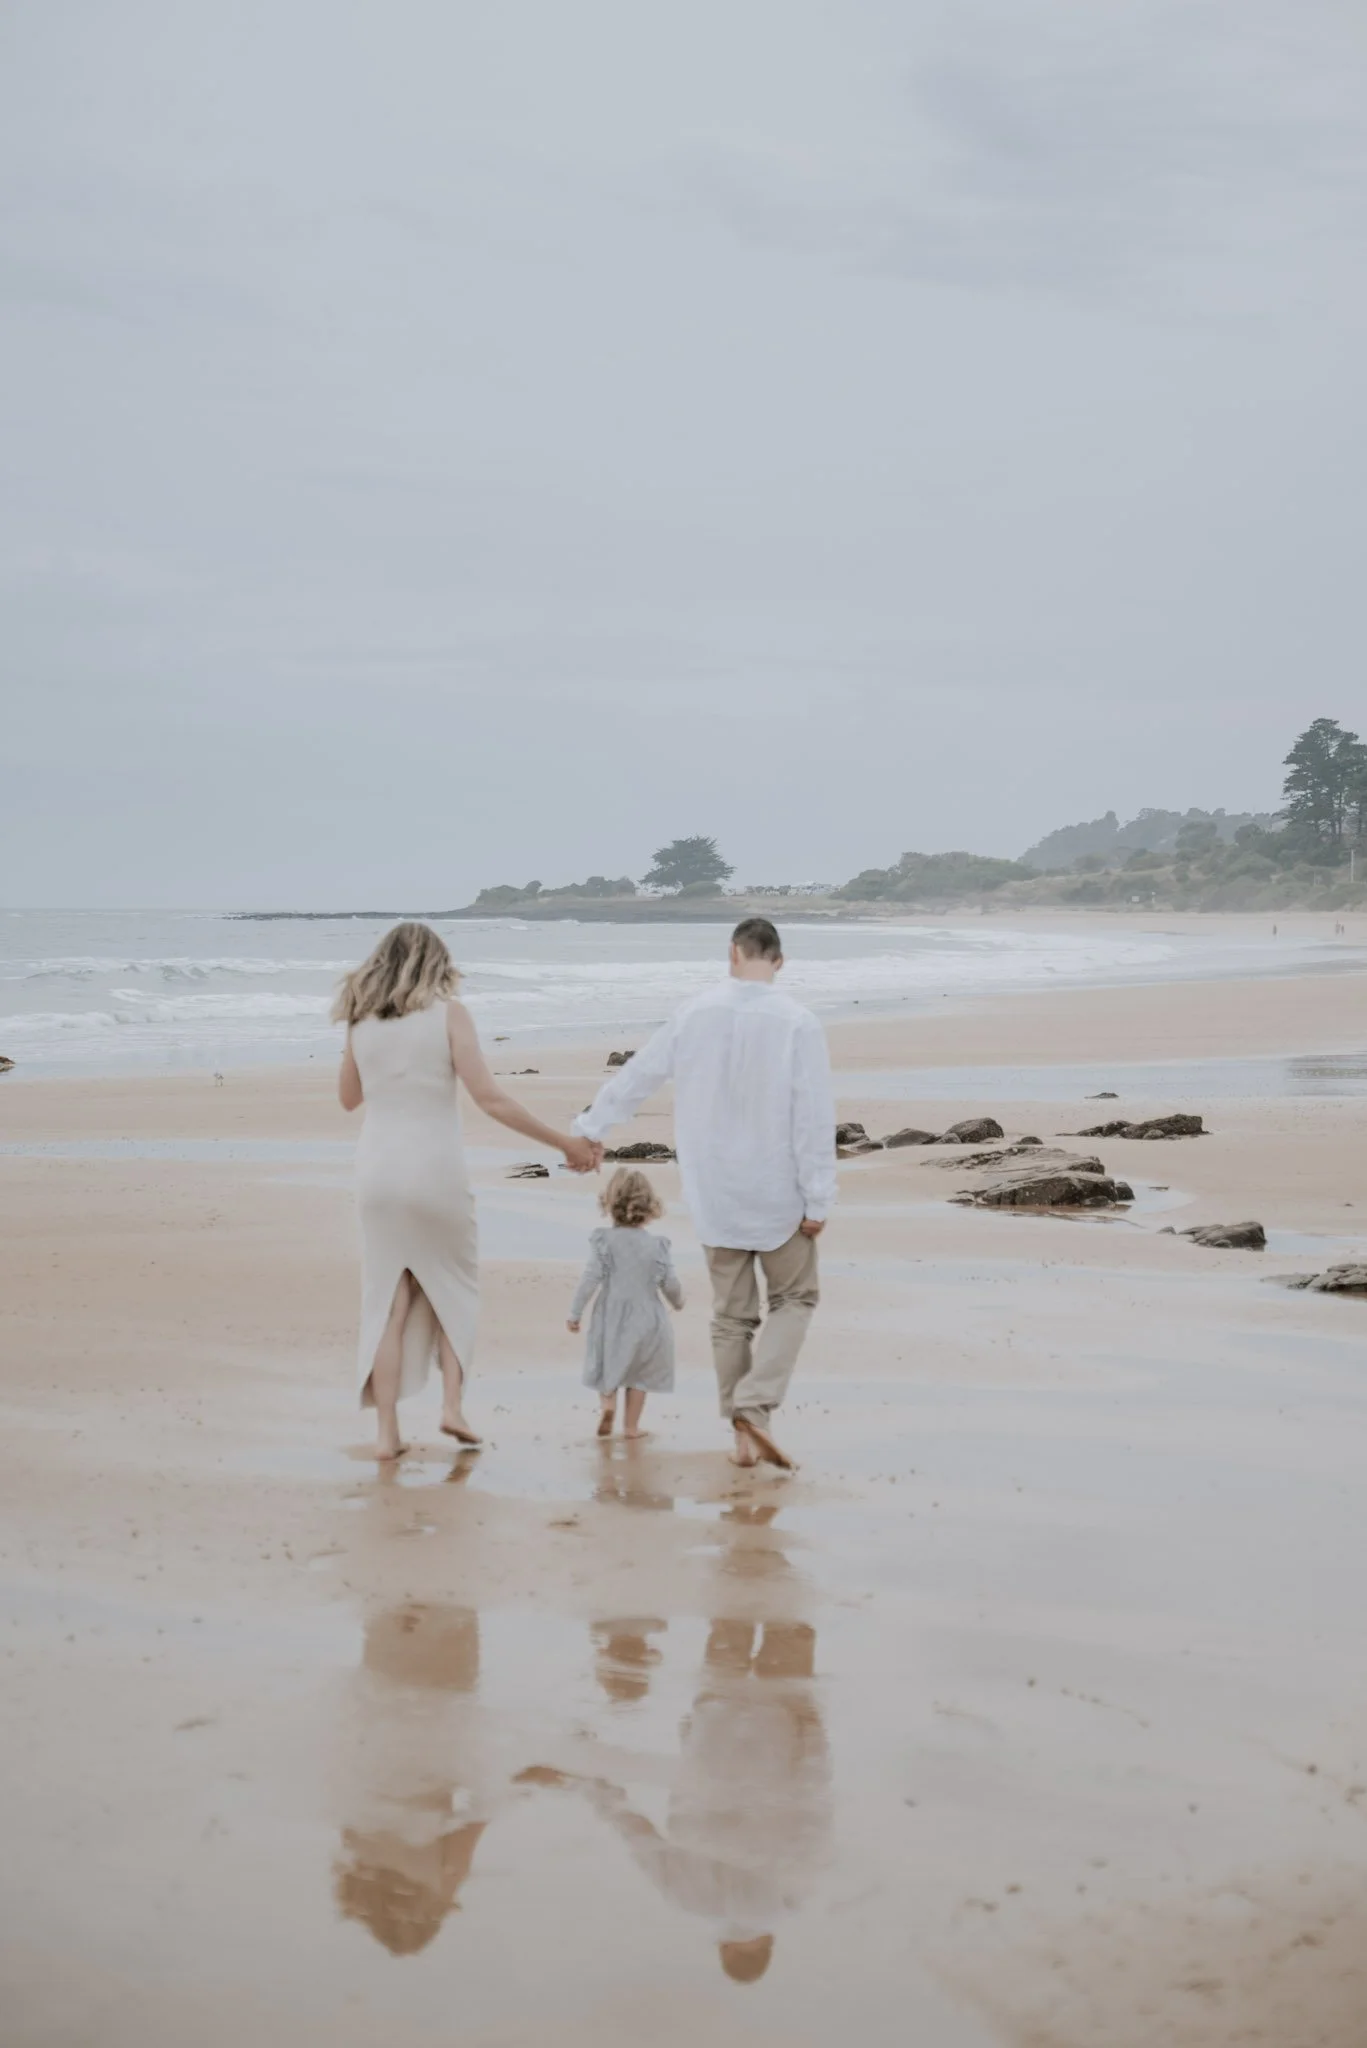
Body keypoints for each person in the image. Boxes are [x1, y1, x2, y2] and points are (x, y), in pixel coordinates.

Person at [574, 918, 836, 1471]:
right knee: (794, 1300)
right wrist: (819, 1197)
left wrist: (591, 1128)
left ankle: (741, 1440)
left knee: (731, 1317)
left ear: (733, 954)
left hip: (715, 1190)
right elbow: (813, 1118)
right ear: (780, 961)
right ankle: (754, 1405)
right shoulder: (798, 1022)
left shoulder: (693, 1013)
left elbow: (639, 1076)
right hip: (778, 1190)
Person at [335, 921, 600, 1461]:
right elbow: (491, 1099)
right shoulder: (450, 1015)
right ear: (436, 964)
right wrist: (563, 1142)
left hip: (377, 1173)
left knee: (387, 1303)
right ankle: (452, 1407)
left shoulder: (359, 1021)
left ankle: (387, 1435)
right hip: (435, 1171)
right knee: (453, 1285)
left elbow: (348, 1099)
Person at [568, 1167, 684, 1439]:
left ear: (609, 1202)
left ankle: (608, 1405)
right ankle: (631, 1427)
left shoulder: (604, 1241)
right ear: (650, 1205)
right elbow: (669, 1282)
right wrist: (678, 1301)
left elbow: (590, 1278)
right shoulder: (657, 1245)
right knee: (640, 1373)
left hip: (611, 1314)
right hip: (648, 1318)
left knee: (607, 1362)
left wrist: (575, 1312)